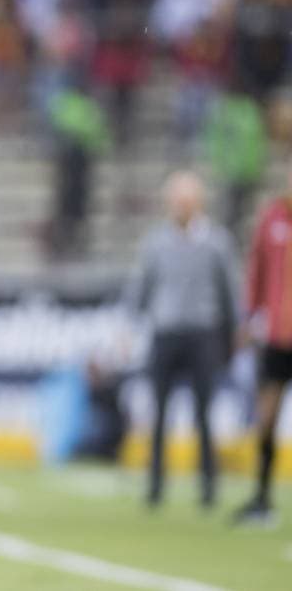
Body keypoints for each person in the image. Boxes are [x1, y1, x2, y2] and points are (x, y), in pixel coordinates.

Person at [124, 171, 239, 510]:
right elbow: (142, 287)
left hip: (203, 333)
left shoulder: (217, 242)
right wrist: (130, 324)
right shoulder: (156, 242)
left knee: (204, 412)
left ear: (198, 203)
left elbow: (229, 292)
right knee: (159, 412)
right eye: (176, 200)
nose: (180, 206)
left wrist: (233, 331)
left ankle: (208, 484)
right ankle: (155, 484)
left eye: (186, 200)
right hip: (166, 331)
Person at [234, 165, 292, 526]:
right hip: (277, 337)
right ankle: (261, 496)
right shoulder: (272, 218)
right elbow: (257, 271)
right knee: (267, 416)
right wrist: (249, 317)